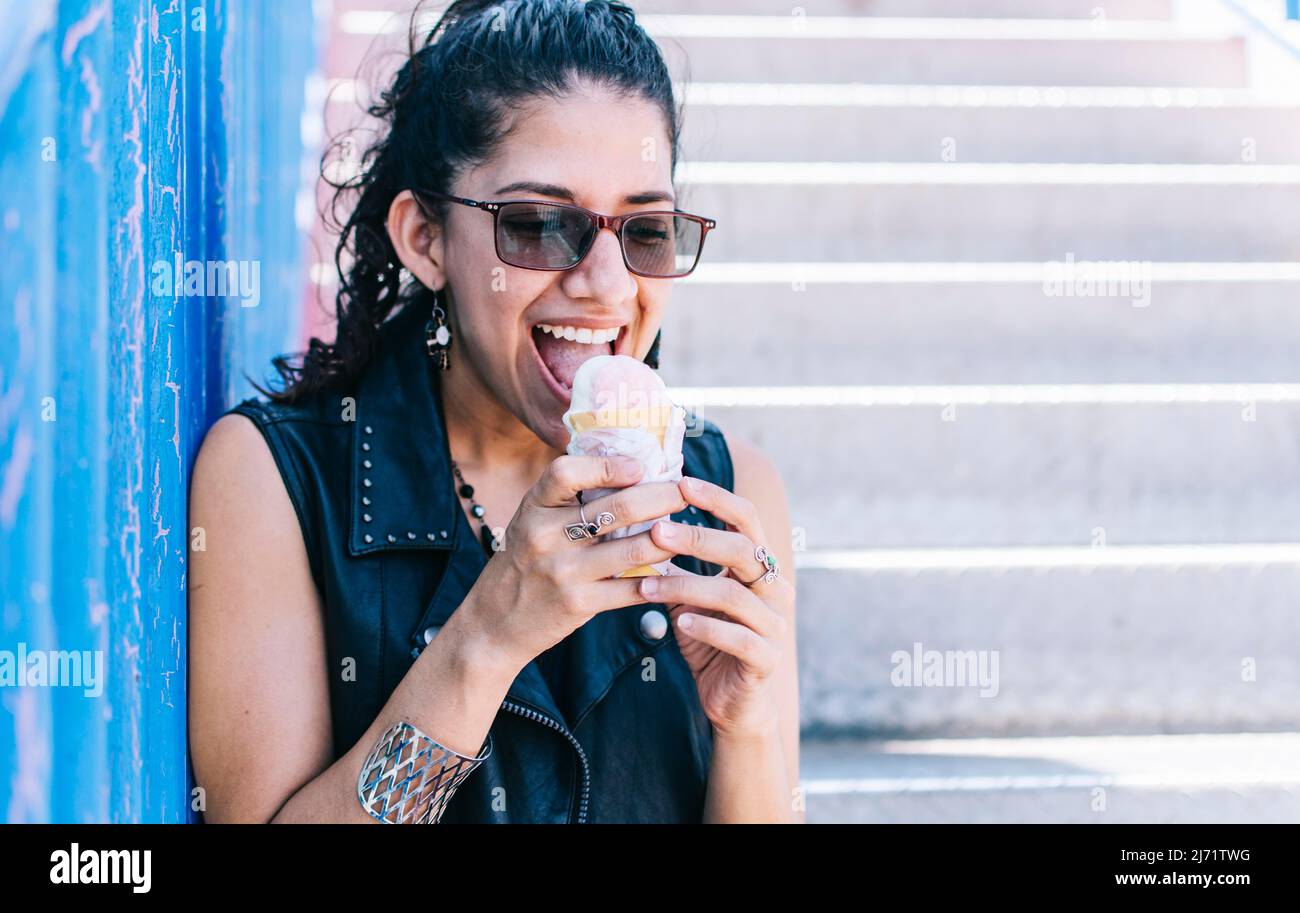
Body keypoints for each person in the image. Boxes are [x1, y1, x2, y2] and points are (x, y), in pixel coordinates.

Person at [188, 0, 800, 823]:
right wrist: (487, 639)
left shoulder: (731, 498)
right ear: (425, 239)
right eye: (543, 224)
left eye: (645, 229)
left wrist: (749, 730)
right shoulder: (274, 481)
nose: (609, 286)